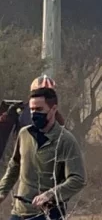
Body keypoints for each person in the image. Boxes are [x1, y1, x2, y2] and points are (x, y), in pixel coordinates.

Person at [0, 87, 86, 220]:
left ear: (53, 109)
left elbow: (78, 179)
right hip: (19, 212)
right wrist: (2, 191)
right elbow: (15, 165)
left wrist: (50, 195)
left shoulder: (65, 140)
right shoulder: (24, 134)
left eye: (39, 109)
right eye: (32, 109)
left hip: (47, 214)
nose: (34, 114)